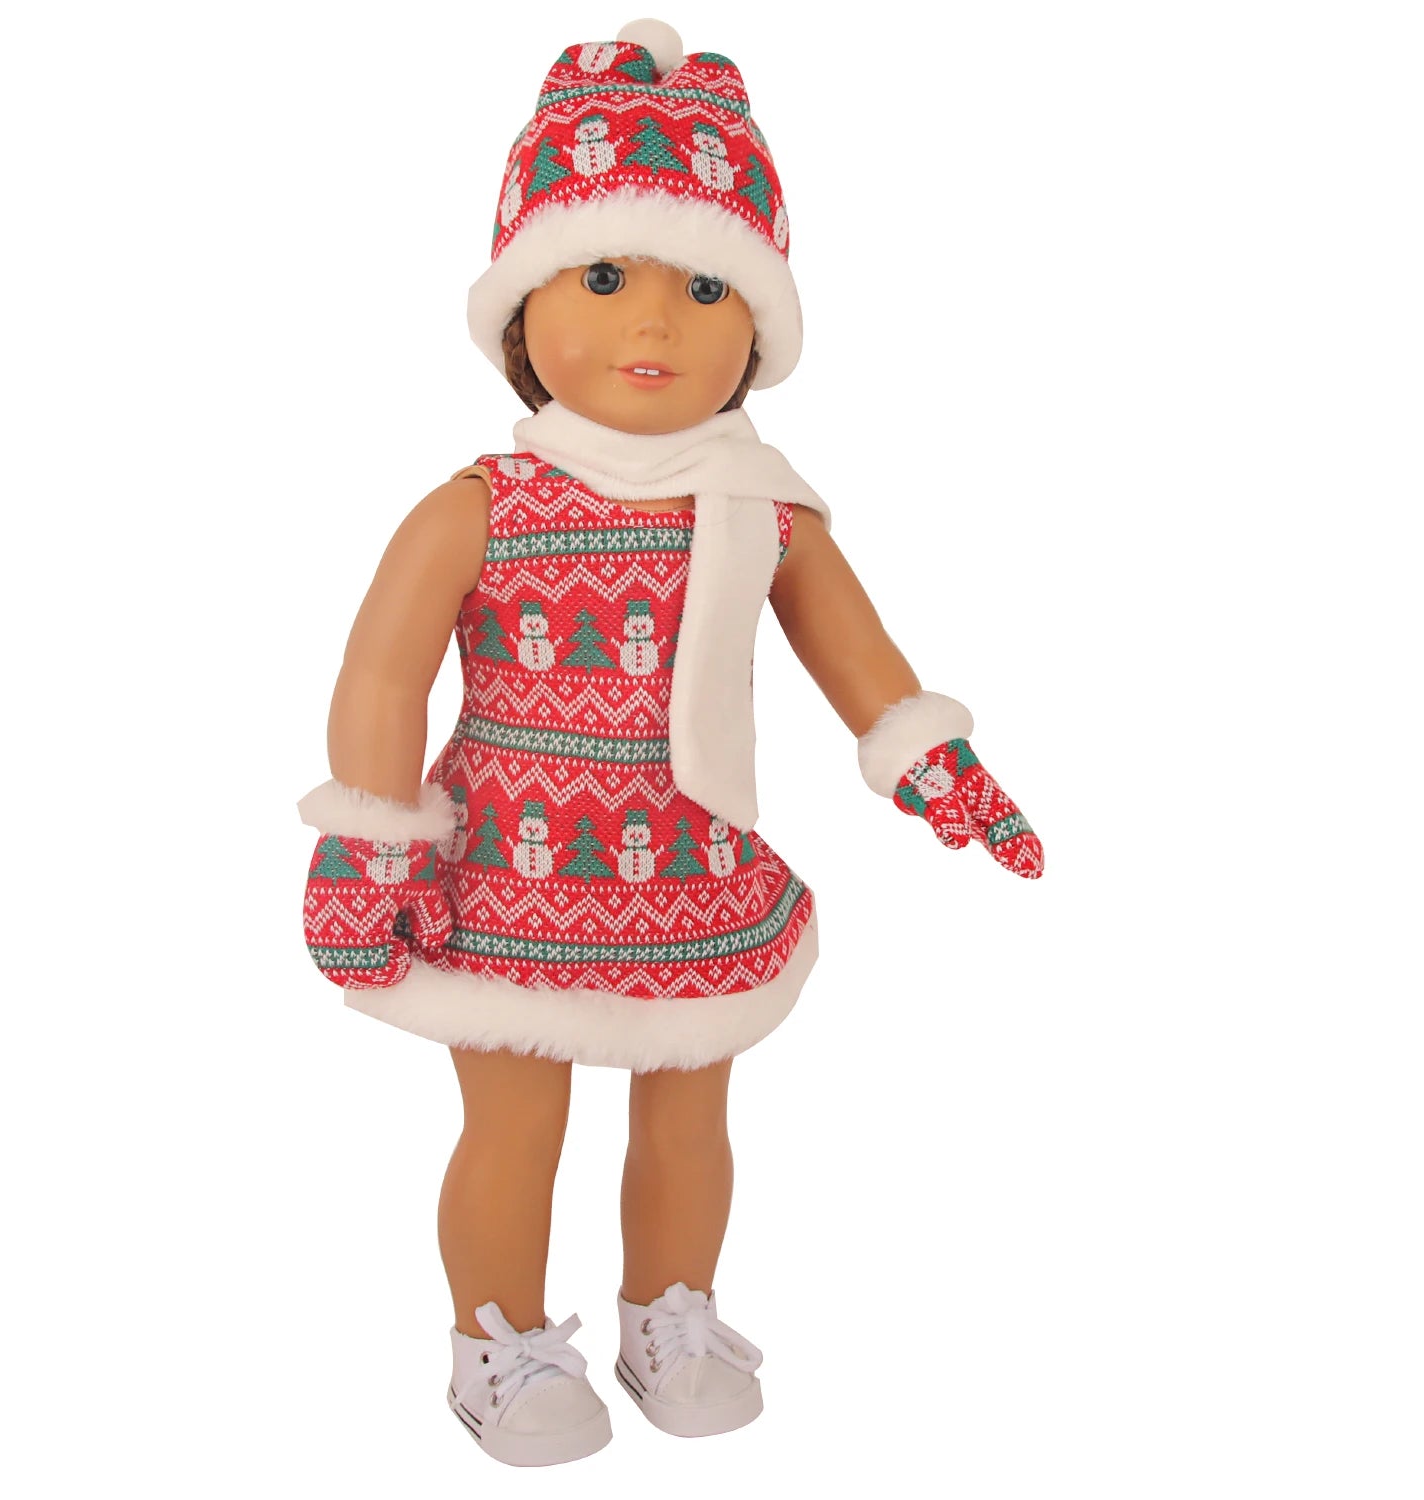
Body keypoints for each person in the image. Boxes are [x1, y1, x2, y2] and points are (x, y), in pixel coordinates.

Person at [298, 19, 1043, 1469]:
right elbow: (381, 673)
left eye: (705, 287)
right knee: (515, 1123)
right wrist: (370, 838)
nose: (655, 325)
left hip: (693, 871)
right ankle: (499, 1343)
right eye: (605, 277)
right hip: (511, 876)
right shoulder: (481, 505)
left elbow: (855, 651)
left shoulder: (763, 507)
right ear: (520, 313)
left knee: (692, 1115)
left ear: (756, 327)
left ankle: (671, 1314)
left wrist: (926, 755)